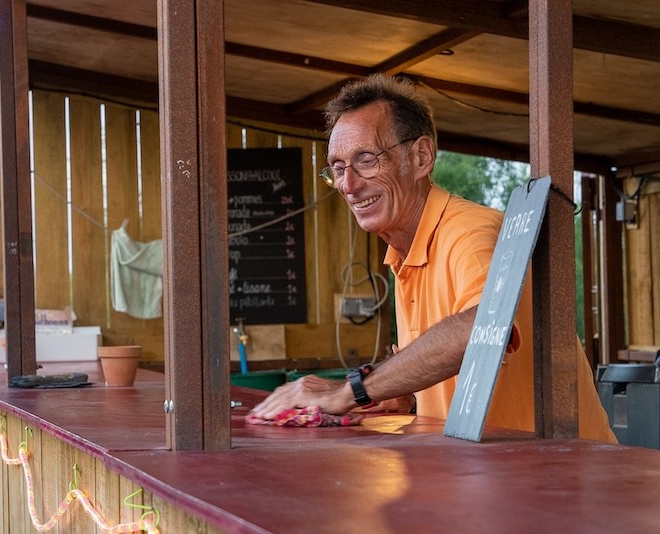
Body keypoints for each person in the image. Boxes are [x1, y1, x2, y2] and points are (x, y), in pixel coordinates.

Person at [249, 74, 616, 442]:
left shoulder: (469, 230)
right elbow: (444, 375)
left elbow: (483, 328)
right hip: (487, 478)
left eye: (365, 159)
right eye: (338, 167)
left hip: (560, 480)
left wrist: (350, 391)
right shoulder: (401, 258)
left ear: (421, 157)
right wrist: (400, 395)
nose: (348, 184)